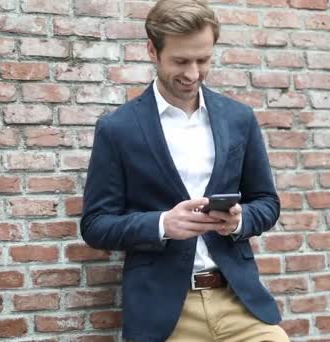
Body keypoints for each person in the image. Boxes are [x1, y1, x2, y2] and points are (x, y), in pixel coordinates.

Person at [81, 1, 289, 341]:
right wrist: (163, 224)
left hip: (239, 303)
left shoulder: (239, 119)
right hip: (165, 315)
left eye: (203, 60)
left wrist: (238, 220)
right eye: (180, 61)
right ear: (152, 50)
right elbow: (95, 225)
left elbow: (266, 202)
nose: (192, 73)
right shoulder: (117, 129)